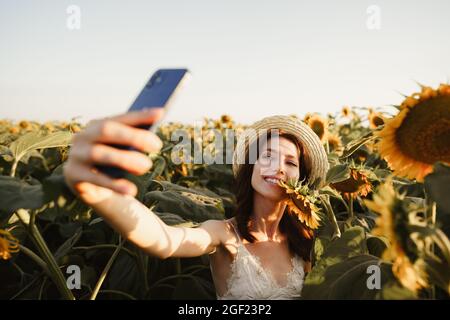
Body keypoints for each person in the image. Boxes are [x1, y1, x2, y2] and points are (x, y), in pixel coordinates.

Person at [63, 109, 329, 299]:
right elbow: (164, 239)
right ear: (252, 168)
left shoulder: (303, 242)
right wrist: (100, 190)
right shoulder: (224, 234)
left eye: (290, 162)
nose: (278, 168)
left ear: (302, 180)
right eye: (267, 156)